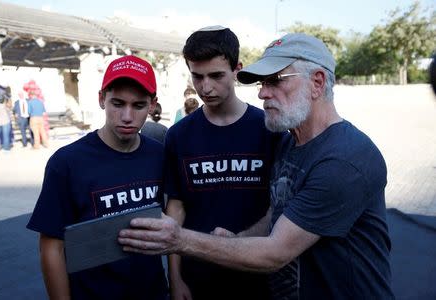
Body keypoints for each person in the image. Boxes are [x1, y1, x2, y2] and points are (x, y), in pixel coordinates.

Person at [118, 33, 394, 299]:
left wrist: (179, 239)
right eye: (262, 83)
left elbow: (275, 252)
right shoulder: (289, 143)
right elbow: (277, 215)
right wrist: (235, 240)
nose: (262, 93)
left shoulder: (344, 160)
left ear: (317, 83)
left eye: (275, 81)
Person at [27, 55, 168, 299]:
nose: (127, 116)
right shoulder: (67, 162)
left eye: (138, 106)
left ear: (152, 105)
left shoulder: (159, 155)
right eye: (117, 103)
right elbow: (52, 246)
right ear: (102, 99)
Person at [154, 25, 278, 300]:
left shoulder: (269, 129)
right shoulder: (179, 135)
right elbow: (175, 210)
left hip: (258, 275)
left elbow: (279, 206)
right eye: (197, 77)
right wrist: (174, 279)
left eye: (216, 75)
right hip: (197, 276)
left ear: (237, 69)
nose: (205, 87)